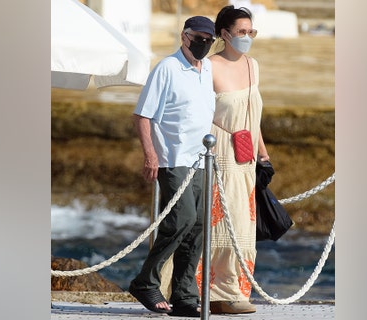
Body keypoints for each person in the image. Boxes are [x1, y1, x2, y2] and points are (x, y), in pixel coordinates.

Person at [128, 16, 216, 318]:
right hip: (173, 159)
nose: (204, 43)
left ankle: (184, 295)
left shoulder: (207, 70)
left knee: (199, 226)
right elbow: (143, 116)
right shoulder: (167, 68)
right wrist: (150, 155)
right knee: (182, 220)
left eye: (209, 39)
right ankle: (145, 282)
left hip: (201, 162)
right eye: (199, 37)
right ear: (185, 36)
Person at [197, 5, 269, 314]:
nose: (247, 37)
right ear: (224, 34)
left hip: (246, 156)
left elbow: (254, 115)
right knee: (221, 227)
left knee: (244, 228)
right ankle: (213, 292)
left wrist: (263, 153)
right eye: (241, 32)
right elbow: (198, 114)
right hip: (218, 155)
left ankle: (236, 289)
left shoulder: (253, 65)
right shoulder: (207, 66)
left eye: (251, 32)